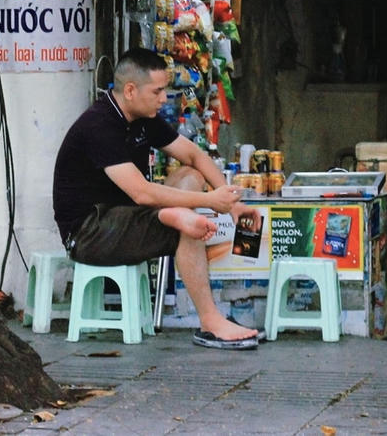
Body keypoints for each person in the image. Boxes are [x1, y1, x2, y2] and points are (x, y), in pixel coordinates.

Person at [53, 47, 261, 349]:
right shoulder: (99, 125)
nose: (164, 98)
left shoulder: (142, 117)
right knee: (186, 226)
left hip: (128, 217)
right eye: (158, 91)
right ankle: (210, 321)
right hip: (89, 232)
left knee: (192, 175)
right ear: (130, 90)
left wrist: (231, 204)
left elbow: (193, 154)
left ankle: (172, 216)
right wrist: (208, 203)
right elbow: (141, 191)